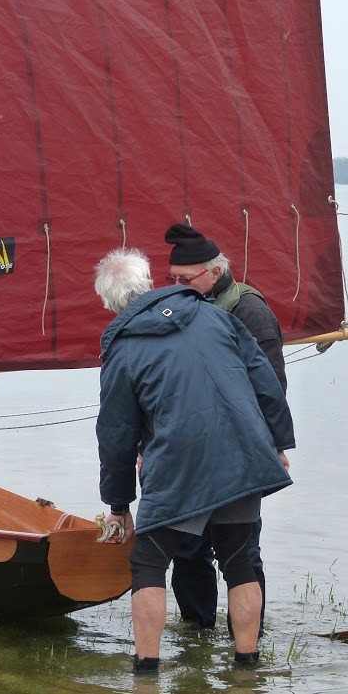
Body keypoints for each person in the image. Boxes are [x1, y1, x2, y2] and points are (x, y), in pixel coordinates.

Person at [93, 247, 295, 672]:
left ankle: (146, 670)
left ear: (110, 305)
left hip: (178, 464)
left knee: (148, 562)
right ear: (150, 284)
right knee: (240, 560)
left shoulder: (123, 348)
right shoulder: (215, 316)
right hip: (244, 455)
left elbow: (116, 435)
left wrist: (118, 506)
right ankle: (247, 665)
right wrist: (276, 445)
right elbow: (265, 382)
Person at [164, 222, 290, 634]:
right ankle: (196, 633)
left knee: (240, 554)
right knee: (188, 550)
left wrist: (275, 446)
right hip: (190, 451)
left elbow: (270, 387)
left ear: (214, 273)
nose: (177, 286)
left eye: (185, 278)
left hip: (238, 454)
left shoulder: (250, 311)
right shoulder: (180, 309)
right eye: (172, 279)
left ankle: (247, 638)